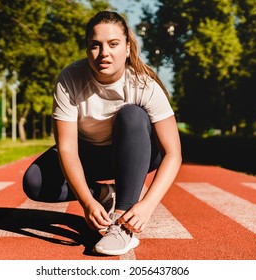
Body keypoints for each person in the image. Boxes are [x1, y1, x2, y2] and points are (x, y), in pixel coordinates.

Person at [22, 10, 182, 256]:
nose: (104, 53)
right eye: (95, 45)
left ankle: (122, 225)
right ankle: (107, 193)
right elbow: (67, 149)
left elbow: (173, 153)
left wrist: (147, 204)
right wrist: (87, 201)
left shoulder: (144, 84)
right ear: (87, 49)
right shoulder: (69, 80)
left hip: (137, 152)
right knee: (34, 182)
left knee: (132, 115)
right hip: (91, 155)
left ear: (127, 48)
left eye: (113, 44)